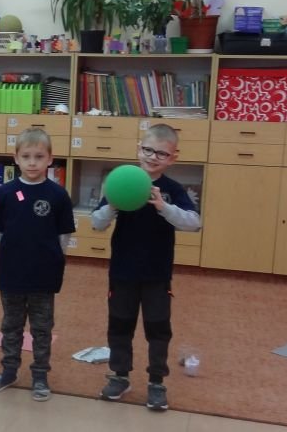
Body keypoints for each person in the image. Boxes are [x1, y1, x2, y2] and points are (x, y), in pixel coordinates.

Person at [92, 123, 201, 411]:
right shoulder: (122, 182)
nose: (153, 157)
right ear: (138, 149)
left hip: (157, 274)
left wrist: (164, 207)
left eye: (161, 153)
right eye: (148, 150)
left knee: (158, 328)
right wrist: (113, 205)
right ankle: (120, 376)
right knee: (120, 325)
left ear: (173, 158)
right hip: (123, 272)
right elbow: (97, 223)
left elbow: (194, 223)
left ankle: (156, 382)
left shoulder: (172, 189)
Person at [0, 128, 75, 402]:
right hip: (12, 274)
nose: (32, 162)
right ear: (16, 158)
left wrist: (54, 262)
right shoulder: (5, 193)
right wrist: (11, 259)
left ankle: (40, 376)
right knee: (11, 326)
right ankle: (9, 371)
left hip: (44, 275)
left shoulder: (58, 195)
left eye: (39, 156)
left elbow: (63, 237)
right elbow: (0, 234)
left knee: (41, 329)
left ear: (50, 159)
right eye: (26, 156)